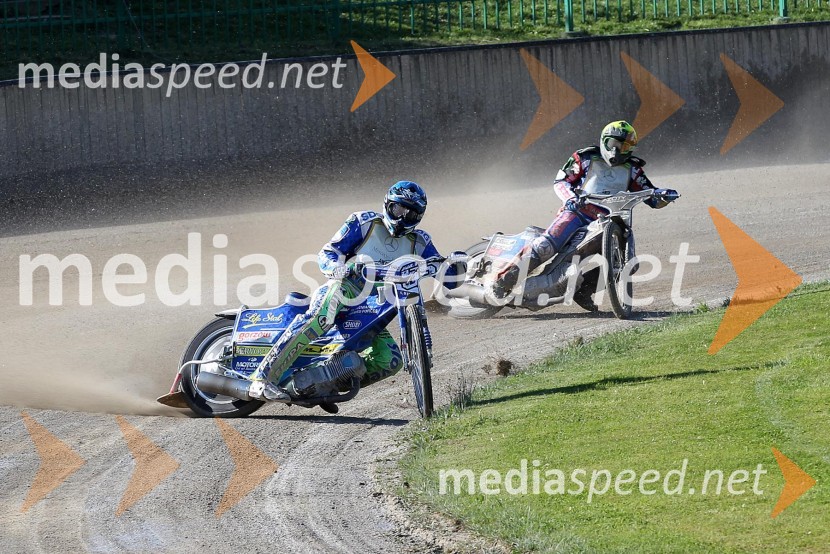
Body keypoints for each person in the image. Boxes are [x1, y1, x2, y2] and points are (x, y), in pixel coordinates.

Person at [248, 180, 457, 404]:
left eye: (411, 214)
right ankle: (261, 377)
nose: (403, 218)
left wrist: (456, 266)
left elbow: (448, 277)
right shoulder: (363, 222)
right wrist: (340, 268)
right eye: (399, 209)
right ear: (388, 205)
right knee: (320, 317)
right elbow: (327, 253)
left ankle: (322, 386)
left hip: (374, 308)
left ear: (420, 217)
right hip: (345, 288)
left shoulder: (420, 241)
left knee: (391, 361)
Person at [493, 120, 678, 306]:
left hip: (612, 220)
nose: (617, 151)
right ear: (604, 141)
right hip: (577, 214)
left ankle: (582, 291)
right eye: (614, 144)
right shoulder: (586, 157)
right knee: (545, 247)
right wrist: (570, 199)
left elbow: (651, 197)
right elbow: (562, 181)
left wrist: (664, 196)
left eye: (624, 146)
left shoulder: (633, 170)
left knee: (627, 264)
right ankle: (504, 279)